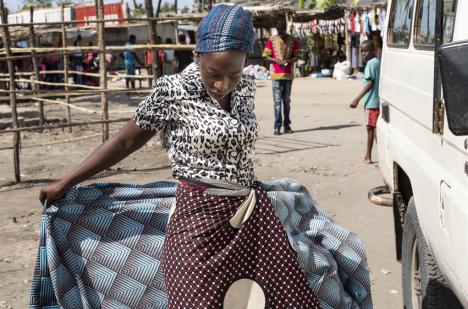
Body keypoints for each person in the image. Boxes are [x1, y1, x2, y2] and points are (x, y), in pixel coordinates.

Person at [39, 5, 372, 308]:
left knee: (279, 297)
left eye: (234, 73)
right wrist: (66, 182)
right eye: (214, 73)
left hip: (250, 220)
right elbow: (124, 143)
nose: (223, 84)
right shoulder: (173, 90)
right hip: (198, 226)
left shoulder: (244, 88)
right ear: (198, 55)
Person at [262, 20, 300, 135]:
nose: (281, 34)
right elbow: (265, 56)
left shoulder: (293, 40)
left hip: (288, 75)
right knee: (277, 101)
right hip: (276, 75)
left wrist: (289, 60)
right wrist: (275, 60)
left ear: (285, 29)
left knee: (287, 101)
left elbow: (297, 56)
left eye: (282, 32)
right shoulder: (271, 40)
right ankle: (277, 127)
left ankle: (287, 125)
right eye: (279, 32)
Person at [350, 40, 380, 164]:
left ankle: (368, 155)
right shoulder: (378, 62)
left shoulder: (370, 64)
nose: (363, 53)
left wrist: (357, 99)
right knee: (375, 128)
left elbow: (370, 82)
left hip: (371, 102)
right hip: (378, 101)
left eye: (366, 51)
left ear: (373, 51)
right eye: (361, 51)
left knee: (371, 129)